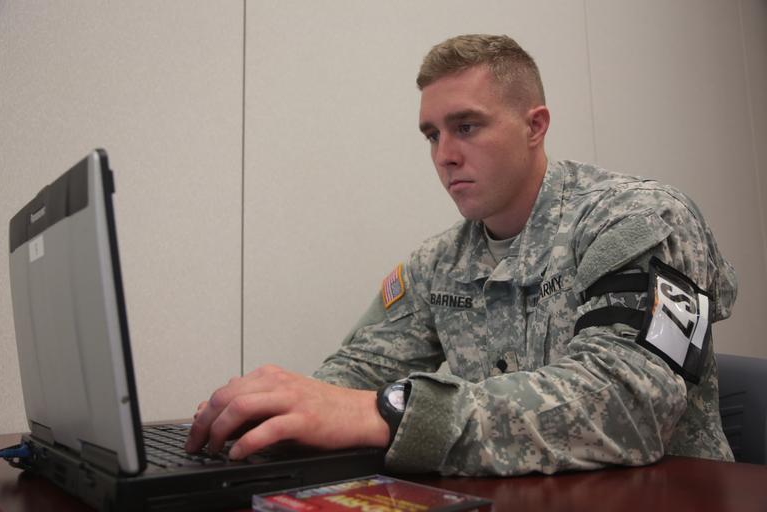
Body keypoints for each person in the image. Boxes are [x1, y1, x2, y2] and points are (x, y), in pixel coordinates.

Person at [185, 34, 737, 476]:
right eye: (432, 135)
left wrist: (390, 413)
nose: (445, 155)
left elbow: (628, 406)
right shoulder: (439, 263)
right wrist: (280, 414)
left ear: (535, 126)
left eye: (466, 127)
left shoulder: (637, 220)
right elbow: (358, 373)